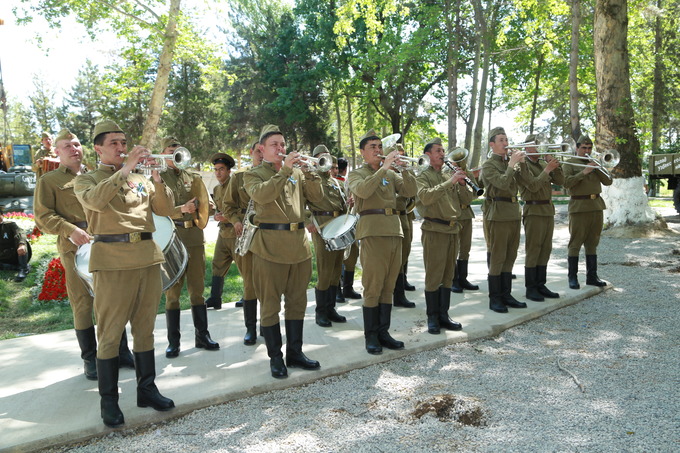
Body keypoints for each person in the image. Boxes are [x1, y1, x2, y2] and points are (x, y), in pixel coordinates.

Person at [74, 120, 175, 428]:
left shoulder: (138, 179)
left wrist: (156, 178)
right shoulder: (86, 180)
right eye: (114, 143)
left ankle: (147, 389)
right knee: (110, 333)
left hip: (146, 257)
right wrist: (125, 169)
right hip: (112, 261)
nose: (121, 147)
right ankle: (110, 401)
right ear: (98, 148)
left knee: (145, 329)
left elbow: (165, 208)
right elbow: (95, 201)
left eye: (124, 142)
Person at [34, 128, 136, 380]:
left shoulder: (97, 176)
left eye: (77, 144)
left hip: (105, 243)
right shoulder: (49, 181)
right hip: (74, 248)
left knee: (113, 299)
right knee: (82, 302)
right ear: (57, 152)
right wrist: (68, 230)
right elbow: (43, 217)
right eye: (67, 145)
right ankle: (90, 358)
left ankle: (121, 351)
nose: (73, 149)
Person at [243, 125, 324, 378]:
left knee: (298, 303)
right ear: (262, 149)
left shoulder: (298, 173)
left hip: (299, 246)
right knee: (269, 305)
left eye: (283, 144)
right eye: (275, 145)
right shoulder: (253, 174)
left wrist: (310, 174)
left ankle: (295, 353)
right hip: (269, 247)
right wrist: (287, 169)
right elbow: (263, 196)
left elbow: (318, 199)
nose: (281, 148)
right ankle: (275, 358)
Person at [348, 129, 417, 355]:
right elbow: (363, 191)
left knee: (388, 285)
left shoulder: (390, 174)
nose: (378, 151)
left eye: (380, 147)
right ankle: (371, 336)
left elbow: (410, 191)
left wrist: (406, 171)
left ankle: (383, 332)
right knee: (374, 285)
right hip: (372, 232)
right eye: (373, 148)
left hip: (394, 231)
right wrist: (384, 168)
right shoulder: (357, 174)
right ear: (362, 153)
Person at [159, 136, 220, 358]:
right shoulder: (159, 179)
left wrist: (209, 206)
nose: (175, 153)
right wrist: (180, 209)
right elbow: (156, 210)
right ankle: (173, 342)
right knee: (172, 293)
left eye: (178, 149)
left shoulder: (193, 177)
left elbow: (206, 207)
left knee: (197, 291)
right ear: (163, 153)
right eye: (170, 150)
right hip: (171, 237)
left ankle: (202, 335)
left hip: (194, 237)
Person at [416, 138, 469, 334]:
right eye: (438, 151)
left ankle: (444, 315)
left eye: (443, 150)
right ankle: (432, 317)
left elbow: (467, 200)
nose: (442, 154)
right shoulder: (422, 175)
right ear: (428, 155)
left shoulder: (449, 175)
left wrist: (462, 184)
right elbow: (426, 197)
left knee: (448, 275)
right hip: (434, 230)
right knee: (434, 275)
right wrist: (450, 182)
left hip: (452, 229)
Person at [481, 127, 527, 313]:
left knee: (510, 255)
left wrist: (521, 164)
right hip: (498, 213)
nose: (505, 143)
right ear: (492, 144)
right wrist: (511, 165)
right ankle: (495, 298)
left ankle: (506, 294)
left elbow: (527, 183)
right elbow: (501, 183)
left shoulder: (511, 162)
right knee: (498, 256)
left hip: (513, 213)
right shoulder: (488, 165)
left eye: (506, 139)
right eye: (501, 140)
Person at [516, 134, 564, 301]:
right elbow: (533, 186)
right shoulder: (523, 165)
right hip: (533, 208)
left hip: (547, 209)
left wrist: (555, 166)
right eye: (536, 145)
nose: (539, 148)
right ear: (527, 147)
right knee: (534, 248)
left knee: (545, 248)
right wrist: (548, 169)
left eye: (540, 144)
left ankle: (540, 284)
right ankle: (531, 288)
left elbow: (561, 180)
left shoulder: (543, 163)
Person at [305, 145, 347, 328]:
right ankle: (320, 311)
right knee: (325, 270)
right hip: (321, 226)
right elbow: (300, 202)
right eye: (321, 158)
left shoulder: (334, 181)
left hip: (338, 226)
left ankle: (330, 308)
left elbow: (341, 203)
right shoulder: (310, 179)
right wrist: (307, 220)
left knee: (336, 268)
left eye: (327, 157)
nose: (326, 161)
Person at [562, 135, 612, 289]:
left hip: (596, 205)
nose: (587, 151)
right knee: (576, 242)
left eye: (589, 148)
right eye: (583, 148)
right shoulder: (569, 162)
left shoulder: (595, 162)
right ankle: (572, 277)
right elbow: (566, 183)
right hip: (579, 206)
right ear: (577, 148)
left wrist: (598, 166)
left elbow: (608, 181)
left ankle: (592, 276)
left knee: (592, 242)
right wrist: (584, 171)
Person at [392, 143, 417, 307]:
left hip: (405, 215)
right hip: (394, 217)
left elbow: (413, 192)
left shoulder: (402, 172)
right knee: (396, 258)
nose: (401, 158)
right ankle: (397, 294)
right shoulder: (389, 173)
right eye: (397, 155)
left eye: (402, 155)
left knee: (405, 253)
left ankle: (401, 285)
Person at [0, 207, 31, 282]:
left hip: (16, 254)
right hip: (2, 256)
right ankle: (15, 267)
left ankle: (24, 269)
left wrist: (21, 244)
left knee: (21, 240)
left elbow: (20, 232)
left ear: (2, 215)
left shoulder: (10, 225)